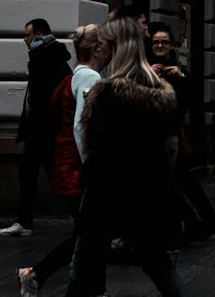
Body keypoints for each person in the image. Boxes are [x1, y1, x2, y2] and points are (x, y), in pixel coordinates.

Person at [63, 16, 187, 297]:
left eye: (106, 45)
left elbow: (100, 146)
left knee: (83, 261)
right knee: (159, 266)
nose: (102, 50)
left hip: (107, 192)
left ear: (117, 48)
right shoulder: (159, 90)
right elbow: (167, 147)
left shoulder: (110, 93)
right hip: (146, 193)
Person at [15, 26, 108, 297]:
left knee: (91, 231)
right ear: (98, 47)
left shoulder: (77, 74)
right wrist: (91, 165)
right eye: (106, 43)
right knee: (90, 232)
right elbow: (82, 124)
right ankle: (37, 273)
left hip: (68, 163)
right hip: (77, 167)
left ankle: (87, 287)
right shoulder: (89, 76)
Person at [0, 19, 71, 238]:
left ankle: (26, 222)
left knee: (38, 174)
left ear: (38, 35)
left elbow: (41, 96)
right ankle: (25, 221)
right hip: (43, 128)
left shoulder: (43, 56)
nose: (24, 39)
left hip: (42, 129)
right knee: (32, 173)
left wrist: (35, 115)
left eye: (27, 35)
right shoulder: (51, 54)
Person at [148, 25, 215, 243]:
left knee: (175, 182)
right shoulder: (145, 68)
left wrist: (181, 77)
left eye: (164, 42)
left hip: (172, 135)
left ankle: (195, 224)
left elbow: (190, 102)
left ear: (172, 45)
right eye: (156, 42)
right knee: (180, 181)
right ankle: (202, 223)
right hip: (156, 135)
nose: (160, 46)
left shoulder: (180, 70)